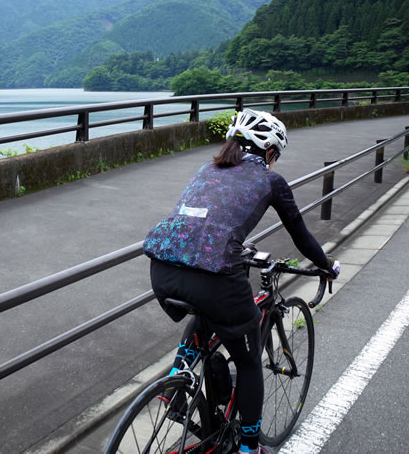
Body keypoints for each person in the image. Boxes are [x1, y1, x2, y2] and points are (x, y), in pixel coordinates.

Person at [143, 108, 340, 454]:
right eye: (275, 156)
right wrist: (326, 266)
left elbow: (202, 221)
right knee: (249, 364)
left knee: (203, 314)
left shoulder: (208, 169)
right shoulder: (269, 180)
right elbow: (301, 235)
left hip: (162, 270)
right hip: (215, 279)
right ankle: (249, 448)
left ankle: (177, 385)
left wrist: (236, 244)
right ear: (269, 152)